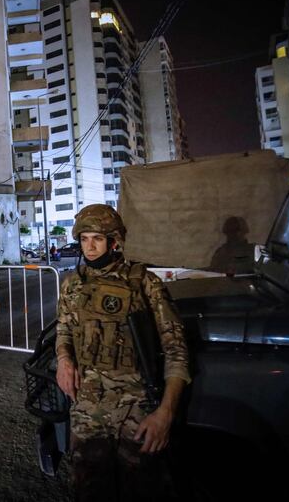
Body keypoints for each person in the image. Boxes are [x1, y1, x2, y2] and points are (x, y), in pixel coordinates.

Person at [55, 204, 190, 500]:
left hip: (136, 408)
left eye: (98, 239)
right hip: (87, 406)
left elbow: (176, 349)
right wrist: (64, 360)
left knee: (141, 489)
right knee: (88, 488)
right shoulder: (73, 285)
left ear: (114, 242)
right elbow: (63, 329)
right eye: (85, 239)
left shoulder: (144, 283)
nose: (89, 247)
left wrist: (165, 413)